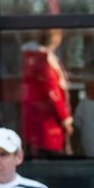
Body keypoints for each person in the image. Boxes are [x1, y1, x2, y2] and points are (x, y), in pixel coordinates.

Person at [20, 28, 74, 156]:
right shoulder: (43, 60)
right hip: (48, 118)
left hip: (35, 114)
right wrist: (66, 119)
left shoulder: (30, 57)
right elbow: (53, 91)